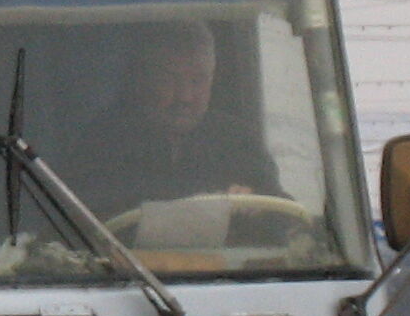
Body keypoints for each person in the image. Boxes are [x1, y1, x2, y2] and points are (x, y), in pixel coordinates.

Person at [59, 20, 278, 222]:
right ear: (143, 78)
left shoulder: (237, 139)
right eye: (169, 79)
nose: (185, 96)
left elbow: (285, 217)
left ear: (213, 78)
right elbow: (76, 223)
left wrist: (257, 204)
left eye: (198, 80)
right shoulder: (104, 141)